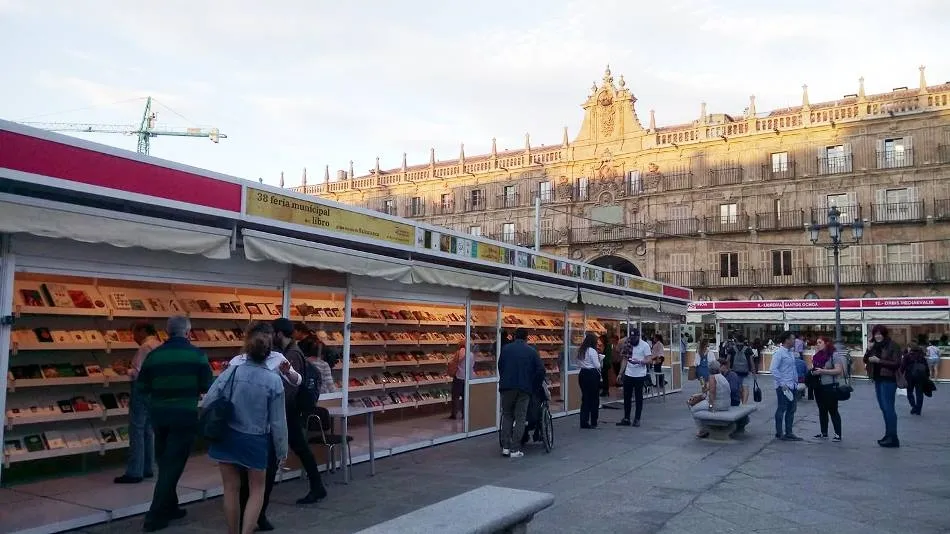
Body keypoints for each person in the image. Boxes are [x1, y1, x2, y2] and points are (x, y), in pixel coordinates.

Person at [206, 323, 289, 534]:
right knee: (257, 490)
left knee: (230, 489)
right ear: (268, 353)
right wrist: (281, 450)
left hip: (228, 435)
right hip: (256, 439)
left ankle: (232, 531)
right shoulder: (273, 381)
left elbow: (209, 399)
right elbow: (278, 421)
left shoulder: (233, 371)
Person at [137, 315, 214, 532]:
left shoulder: (154, 356)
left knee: (165, 462)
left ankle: (172, 507)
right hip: (184, 416)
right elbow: (207, 385)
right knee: (173, 465)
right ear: (188, 333)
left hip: (159, 416)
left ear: (167, 332)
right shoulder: (197, 356)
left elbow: (141, 387)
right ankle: (155, 516)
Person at [229, 321, 306, 531]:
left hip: (265, 428)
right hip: (244, 425)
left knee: (264, 477)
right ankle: (248, 517)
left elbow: (297, 380)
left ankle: (257, 515)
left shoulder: (278, 359)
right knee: (248, 479)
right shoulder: (238, 361)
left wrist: (288, 372)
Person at [271, 319, 327, 512]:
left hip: (289, 411)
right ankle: (317, 486)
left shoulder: (292, 354)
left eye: (273, 333)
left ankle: (260, 499)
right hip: (290, 411)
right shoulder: (291, 352)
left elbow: (290, 387)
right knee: (298, 449)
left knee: (288, 450)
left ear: (279, 334)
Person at [115, 322, 161, 484]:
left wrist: (123, 370)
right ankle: (148, 467)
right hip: (155, 391)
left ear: (142, 331)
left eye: (134, 333)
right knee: (149, 430)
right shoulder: (159, 345)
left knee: (137, 429)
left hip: (142, 390)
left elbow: (138, 372)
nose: (133, 337)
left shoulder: (145, 347)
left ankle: (135, 471)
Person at [498, 328, 545, 458]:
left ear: (514, 337)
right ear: (526, 338)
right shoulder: (531, 351)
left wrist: (504, 380)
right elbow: (540, 370)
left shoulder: (506, 349)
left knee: (507, 415)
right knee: (520, 418)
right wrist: (534, 385)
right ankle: (515, 449)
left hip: (507, 387)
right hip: (524, 388)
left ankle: (505, 447)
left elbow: (500, 366)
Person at [864, 325, 903, 448]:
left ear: (884, 334)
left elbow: (897, 363)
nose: (877, 336)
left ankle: (893, 437)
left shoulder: (893, 345)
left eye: (880, 334)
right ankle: (888, 435)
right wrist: (868, 350)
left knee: (889, 408)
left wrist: (879, 361)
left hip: (889, 380)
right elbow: (866, 360)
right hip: (878, 379)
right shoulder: (874, 346)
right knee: (884, 408)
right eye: (875, 334)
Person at [769, 331, 802, 441]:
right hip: (783, 386)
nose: (794, 341)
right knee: (782, 408)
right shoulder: (779, 353)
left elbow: (792, 368)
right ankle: (779, 432)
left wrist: (796, 381)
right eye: (792, 339)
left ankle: (789, 432)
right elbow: (773, 369)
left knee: (792, 409)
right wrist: (782, 383)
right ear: (786, 340)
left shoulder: (790, 353)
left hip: (792, 385)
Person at [616, 328, 653, 427]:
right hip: (629, 374)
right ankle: (626, 418)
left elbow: (649, 360)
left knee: (638, 397)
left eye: (635, 337)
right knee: (627, 397)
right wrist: (620, 373)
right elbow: (624, 359)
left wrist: (640, 362)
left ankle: (637, 419)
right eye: (631, 337)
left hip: (639, 375)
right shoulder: (628, 344)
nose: (633, 339)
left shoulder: (645, 345)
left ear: (638, 336)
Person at [810, 337, 844, 441]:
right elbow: (815, 368)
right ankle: (823, 432)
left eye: (820, 342)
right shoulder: (817, 355)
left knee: (833, 410)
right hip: (819, 386)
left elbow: (839, 370)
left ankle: (838, 434)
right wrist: (813, 371)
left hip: (830, 386)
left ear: (827, 343)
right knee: (822, 410)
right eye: (817, 342)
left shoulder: (834, 355)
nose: (818, 344)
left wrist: (823, 371)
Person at [688, 360, 731, 438]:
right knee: (698, 403)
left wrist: (711, 406)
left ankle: (702, 429)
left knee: (693, 409)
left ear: (709, 369)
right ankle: (704, 427)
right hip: (726, 404)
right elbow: (707, 390)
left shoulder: (712, 377)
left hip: (718, 404)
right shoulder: (721, 377)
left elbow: (712, 393)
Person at [576, 333, 602, 429]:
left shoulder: (581, 350)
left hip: (582, 374)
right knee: (594, 399)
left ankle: (584, 421)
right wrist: (599, 359)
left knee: (585, 398)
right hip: (592, 375)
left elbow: (578, 363)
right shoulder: (592, 351)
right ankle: (594, 421)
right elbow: (597, 365)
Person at [447, 336, 474, 420]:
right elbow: (472, 366)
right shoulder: (471, 354)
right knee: (465, 396)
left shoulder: (459, 352)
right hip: (467, 377)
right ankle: (464, 413)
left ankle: (454, 414)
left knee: (455, 396)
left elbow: (454, 362)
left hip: (458, 376)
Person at [902, 341, 930, 416]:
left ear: (910, 348)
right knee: (919, 393)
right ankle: (918, 409)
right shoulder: (921, 356)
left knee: (909, 393)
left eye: (908, 347)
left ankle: (914, 406)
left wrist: (900, 376)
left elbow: (903, 367)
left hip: (909, 377)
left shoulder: (907, 356)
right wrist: (927, 376)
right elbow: (926, 367)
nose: (907, 349)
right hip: (920, 377)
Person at [728, 335, 754, 404]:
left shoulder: (732, 349)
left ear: (736, 340)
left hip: (734, 372)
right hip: (745, 371)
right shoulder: (748, 349)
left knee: (738, 388)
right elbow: (751, 362)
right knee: (745, 388)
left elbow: (728, 360)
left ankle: (740, 401)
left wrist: (728, 369)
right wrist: (753, 372)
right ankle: (744, 403)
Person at [599, 333, 613, 397]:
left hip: (605, 362)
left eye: (601, 339)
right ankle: (605, 390)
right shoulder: (608, 345)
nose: (600, 340)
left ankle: (605, 390)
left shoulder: (606, 346)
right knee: (605, 377)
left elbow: (604, 354)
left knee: (605, 377)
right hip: (606, 362)